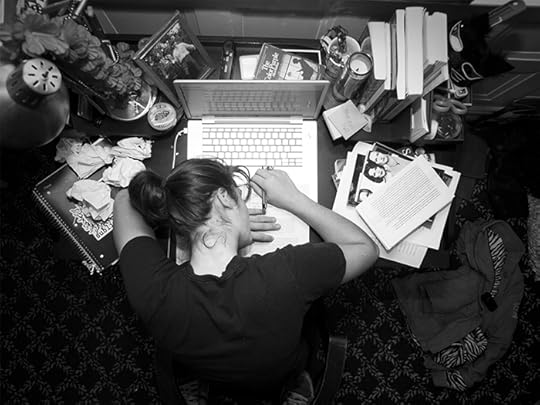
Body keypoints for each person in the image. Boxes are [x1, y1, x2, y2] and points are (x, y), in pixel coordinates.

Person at [113, 159, 378, 403]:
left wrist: (217, 221)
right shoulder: (290, 272)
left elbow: (125, 198)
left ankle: (204, 385)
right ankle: (293, 385)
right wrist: (294, 199)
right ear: (225, 197)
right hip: (280, 370)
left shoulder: (153, 289)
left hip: (208, 370)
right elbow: (365, 248)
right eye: (240, 199)